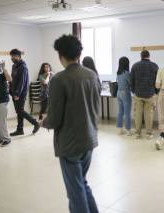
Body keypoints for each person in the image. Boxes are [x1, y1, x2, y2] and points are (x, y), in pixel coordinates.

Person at [41, 35, 100, 213]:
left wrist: (44, 122)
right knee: (81, 183)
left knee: (75, 191)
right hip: (89, 139)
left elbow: (54, 118)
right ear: (79, 53)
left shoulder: (59, 80)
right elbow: (96, 110)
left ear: (60, 56)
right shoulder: (92, 75)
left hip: (70, 143)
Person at [9, 49, 40, 136]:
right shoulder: (14, 66)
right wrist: (10, 88)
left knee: (20, 110)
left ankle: (35, 123)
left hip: (20, 94)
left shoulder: (23, 67)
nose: (12, 58)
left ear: (19, 56)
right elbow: (14, 79)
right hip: (14, 92)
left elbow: (22, 82)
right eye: (11, 56)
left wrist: (17, 94)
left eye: (14, 56)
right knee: (18, 111)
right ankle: (20, 130)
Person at [131, 50, 159, 139]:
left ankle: (138, 133)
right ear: (149, 56)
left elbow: (132, 80)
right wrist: (156, 92)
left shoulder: (135, 66)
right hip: (150, 94)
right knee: (149, 114)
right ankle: (149, 133)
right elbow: (157, 81)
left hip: (138, 94)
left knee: (138, 114)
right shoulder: (154, 66)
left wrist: (133, 91)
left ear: (141, 56)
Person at [116, 56, 133, 135]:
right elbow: (130, 83)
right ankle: (128, 130)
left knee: (120, 112)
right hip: (125, 93)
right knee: (127, 113)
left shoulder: (118, 73)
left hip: (118, 93)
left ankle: (119, 129)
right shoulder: (127, 73)